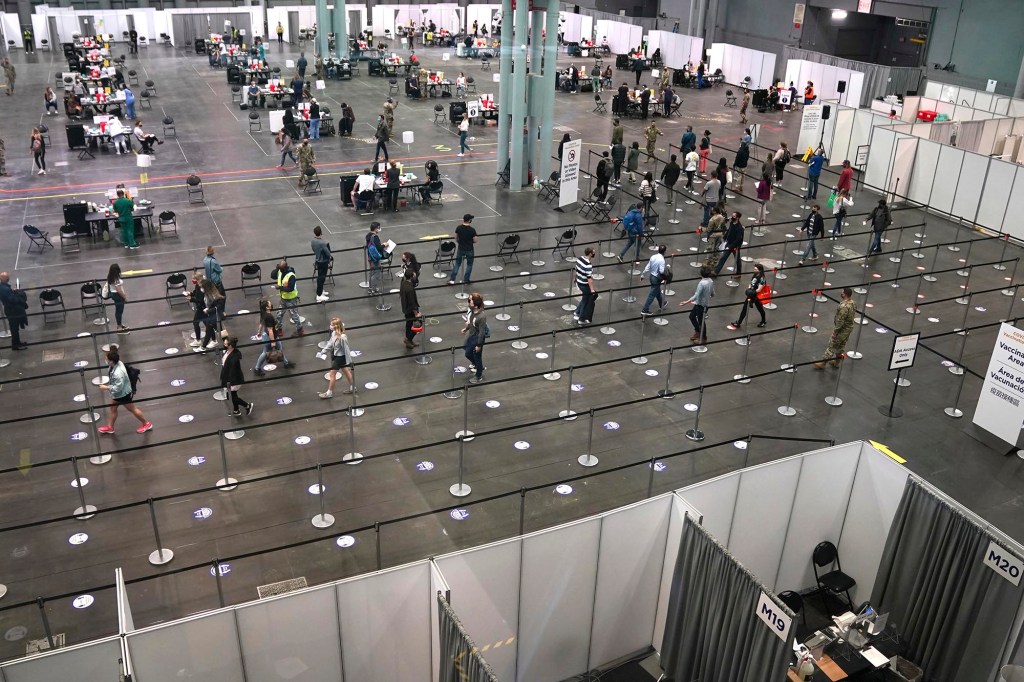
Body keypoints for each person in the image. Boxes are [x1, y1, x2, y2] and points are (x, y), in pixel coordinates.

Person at [97, 346, 152, 435]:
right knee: (113, 408)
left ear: (111, 361)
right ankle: (110, 427)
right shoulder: (115, 363)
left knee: (132, 409)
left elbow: (118, 387)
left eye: (106, 358)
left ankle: (147, 424)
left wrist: (106, 387)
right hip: (118, 394)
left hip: (123, 394)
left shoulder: (118, 373)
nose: (105, 359)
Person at [815, 288, 856, 368]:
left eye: (842, 292)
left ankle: (823, 363)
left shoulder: (844, 306)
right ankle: (837, 362)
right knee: (841, 345)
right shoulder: (852, 303)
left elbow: (840, 321)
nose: (841, 293)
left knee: (832, 344)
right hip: (848, 328)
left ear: (845, 294)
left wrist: (835, 332)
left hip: (842, 329)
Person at [253, 298, 293, 376]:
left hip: (265, 336)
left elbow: (261, 324)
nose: (271, 304)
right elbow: (270, 330)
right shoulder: (269, 316)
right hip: (271, 337)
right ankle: (257, 368)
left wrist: (259, 332)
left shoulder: (263, 313)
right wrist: (273, 342)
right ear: (267, 307)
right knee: (269, 352)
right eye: (270, 304)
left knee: (276, 349)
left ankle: (286, 363)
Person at [319, 317, 355, 398]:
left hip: (340, 357)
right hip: (336, 355)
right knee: (345, 371)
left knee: (332, 374)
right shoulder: (334, 333)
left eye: (332, 324)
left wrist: (349, 362)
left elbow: (346, 350)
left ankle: (329, 393)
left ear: (336, 326)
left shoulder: (342, 337)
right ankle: (353, 387)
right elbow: (330, 344)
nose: (330, 326)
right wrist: (323, 351)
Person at [680, 266, 714, 344]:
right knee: (692, 316)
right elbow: (712, 293)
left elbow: (697, 295)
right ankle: (698, 332)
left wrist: (687, 302)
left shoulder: (702, 283)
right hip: (705, 304)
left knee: (701, 321)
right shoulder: (711, 281)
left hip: (700, 305)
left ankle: (703, 337)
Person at [461, 293, 488, 383]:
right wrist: (466, 329)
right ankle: (478, 366)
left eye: (471, 300)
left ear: (476, 304)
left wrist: (479, 344)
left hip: (477, 339)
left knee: (477, 357)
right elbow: (472, 324)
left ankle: (478, 375)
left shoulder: (481, 316)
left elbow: (481, 332)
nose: (469, 301)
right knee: (468, 353)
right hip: (472, 336)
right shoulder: (473, 312)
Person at [731, 263, 767, 329]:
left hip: (756, 296)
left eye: (755, 269)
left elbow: (759, 289)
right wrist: (749, 288)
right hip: (752, 295)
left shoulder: (762, 278)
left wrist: (751, 292)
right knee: (746, 308)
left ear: (760, 270)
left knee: (760, 309)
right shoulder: (755, 275)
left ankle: (763, 321)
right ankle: (739, 322)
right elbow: (751, 283)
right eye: (754, 269)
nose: (754, 270)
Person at [273, 258, 303, 335]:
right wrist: (276, 269)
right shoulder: (280, 271)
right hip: (283, 298)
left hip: (291, 299)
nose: (280, 270)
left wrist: (280, 287)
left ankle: (300, 329)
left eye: (281, 269)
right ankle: (279, 328)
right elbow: (272, 276)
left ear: (285, 268)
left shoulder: (291, 275)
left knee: (294, 316)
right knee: (279, 314)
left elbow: (290, 288)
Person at [0, 272, 28, 350]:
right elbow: (12, 300)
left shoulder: (3, 287)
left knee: (15, 327)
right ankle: (15, 345)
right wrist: (18, 293)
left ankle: (17, 342)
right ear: (6, 279)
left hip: (10, 310)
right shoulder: (5, 289)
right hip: (12, 310)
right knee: (14, 328)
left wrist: (13, 291)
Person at [449, 214, 477, 284]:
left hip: (461, 248)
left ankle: (452, 280)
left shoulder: (459, 228)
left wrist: (459, 242)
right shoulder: (472, 230)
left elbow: (455, 237)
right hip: (469, 249)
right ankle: (466, 280)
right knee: (469, 264)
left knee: (457, 264)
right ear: (469, 221)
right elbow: (475, 240)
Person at [714, 211, 744, 278]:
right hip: (729, 243)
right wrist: (725, 238)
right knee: (723, 258)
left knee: (737, 259)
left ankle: (739, 273)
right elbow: (729, 231)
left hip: (735, 246)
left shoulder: (739, 228)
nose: (732, 217)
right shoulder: (732, 223)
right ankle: (716, 272)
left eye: (734, 216)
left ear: (738, 217)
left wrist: (730, 246)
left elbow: (738, 239)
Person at [640, 244, 668, 316]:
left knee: (657, 290)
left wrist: (643, 274)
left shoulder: (653, 256)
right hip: (656, 278)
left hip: (651, 276)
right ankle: (645, 310)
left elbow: (648, 266)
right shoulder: (662, 260)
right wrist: (665, 277)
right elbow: (661, 271)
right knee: (651, 295)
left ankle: (662, 303)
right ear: (664, 252)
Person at [574, 247, 596, 325]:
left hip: (579, 282)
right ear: (590, 253)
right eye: (593, 252)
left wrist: (575, 279)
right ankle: (581, 318)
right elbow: (589, 279)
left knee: (584, 298)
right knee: (585, 301)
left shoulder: (580, 258)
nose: (594, 253)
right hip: (584, 284)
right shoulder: (588, 265)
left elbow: (576, 270)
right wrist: (592, 289)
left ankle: (577, 312)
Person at [400, 268, 421, 350]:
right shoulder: (410, 289)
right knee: (417, 325)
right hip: (411, 309)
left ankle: (409, 340)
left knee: (408, 324)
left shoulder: (403, 283)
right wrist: (416, 313)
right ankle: (408, 339)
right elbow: (412, 303)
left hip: (405, 308)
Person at [106, 263, 130, 333]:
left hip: (114, 295)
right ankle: (119, 327)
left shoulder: (110, 277)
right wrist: (125, 297)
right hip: (118, 296)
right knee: (119, 311)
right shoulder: (116, 279)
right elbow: (119, 290)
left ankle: (119, 324)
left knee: (118, 311)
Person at [311, 225, 331, 302]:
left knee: (320, 276)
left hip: (318, 260)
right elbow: (328, 253)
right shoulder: (322, 243)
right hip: (323, 262)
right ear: (321, 233)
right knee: (321, 278)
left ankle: (321, 290)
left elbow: (313, 249)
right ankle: (319, 295)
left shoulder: (313, 241)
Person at [365, 221, 386, 293]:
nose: (379, 229)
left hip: (370, 256)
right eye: (379, 228)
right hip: (375, 258)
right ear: (375, 229)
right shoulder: (375, 237)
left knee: (372, 272)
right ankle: (372, 289)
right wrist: (385, 245)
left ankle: (371, 287)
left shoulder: (368, 235)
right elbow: (379, 247)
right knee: (376, 273)